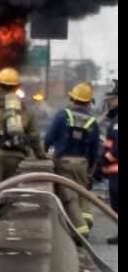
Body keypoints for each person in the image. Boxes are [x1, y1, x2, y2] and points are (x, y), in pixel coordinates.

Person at [0, 68, 47, 220]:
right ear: (17, 87)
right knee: (8, 194)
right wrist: (42, 156)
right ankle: (5, 227)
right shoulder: (26, 110)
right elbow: (34, 137)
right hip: (16, 157)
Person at [44, 82, 100, 238]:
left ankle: (81, 232)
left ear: (72, 98)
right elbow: (95, 150)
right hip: (83, 163)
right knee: (83, 193)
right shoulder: (92, 121)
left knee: (70, 198)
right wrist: (90, 170)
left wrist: (43, 153)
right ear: (89, 101)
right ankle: (87, 218)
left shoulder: (62, 115)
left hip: (64, 163)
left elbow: (49, 138)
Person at [101, 82, 118, 244]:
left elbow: (116, 148)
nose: (110, 103)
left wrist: (106, 158)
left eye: (112, 99)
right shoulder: (114, 120)